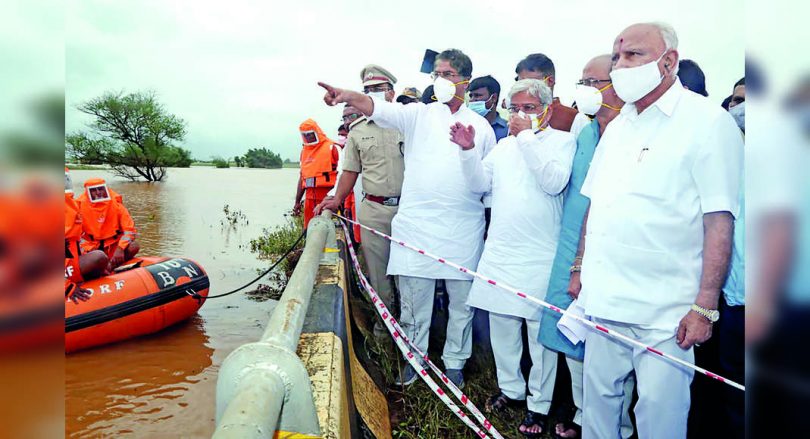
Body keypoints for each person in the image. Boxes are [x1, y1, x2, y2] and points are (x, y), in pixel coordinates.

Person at [576, 23, 743, 439]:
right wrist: (580, 267)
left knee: (660, 421)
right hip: (604, 300)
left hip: (667, 313)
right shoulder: (617, 127)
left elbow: (719, 220)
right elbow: (596, 205)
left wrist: (705, 305)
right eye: (616, 57)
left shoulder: (709, 122)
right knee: (598, 410)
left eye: (632, 55)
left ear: (669, 62)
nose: (620, 65)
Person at [318, 49, 497, 387]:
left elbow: (483, 185)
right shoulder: (418, 115)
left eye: (447, 74)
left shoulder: (482, 128)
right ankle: (414, 359)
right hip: (417, 228)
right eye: (437, 75)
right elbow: (377, 107)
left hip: (462, 231)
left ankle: (455, 363)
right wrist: (347, 96)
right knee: (415, 302)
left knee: (461, 304)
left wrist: (468, 150)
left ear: (465, 81)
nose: (440, 81)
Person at [455, 78, 574, 437]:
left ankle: (539, 405)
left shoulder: (563, 142)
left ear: (547, 110)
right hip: (502, 251)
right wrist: (467, 151)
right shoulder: (504, 148)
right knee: (503, 328)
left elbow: (553, 182)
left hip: (540, 255)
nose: (519, 114)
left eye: (529, 108)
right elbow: (478, 185)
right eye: (514, 108)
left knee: (540, 337)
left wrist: (525, 138)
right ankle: (512, 390)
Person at [537, 55, 634, 439]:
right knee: (570, 329)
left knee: (613, 348)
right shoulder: (584, 131)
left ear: (618, 86)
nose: (586, 90)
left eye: (593, 82)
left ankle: (618, 426)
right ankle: (582, 414)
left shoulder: (633, 133)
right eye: (583, 81)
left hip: (613, 252)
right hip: (571, 247)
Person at [315, 65, 405, 334]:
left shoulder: (408, 122)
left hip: (410, 210)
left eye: (378, 89)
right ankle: (385, 327)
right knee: (378, 274)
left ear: (391, 93)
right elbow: (350, 171)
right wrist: (336, 199)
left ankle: (412, 331)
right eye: (368, 91)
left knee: (410, 277)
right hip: (374, 209)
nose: (372, 95)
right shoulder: (356, 130)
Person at [514, 53, 590, 138]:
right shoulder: (515, 115)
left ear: (550, 81)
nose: (523, 88)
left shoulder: (575, 119)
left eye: (530, 82)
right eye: (519, 83)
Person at [77, 178, 140, 272]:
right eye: (93, 190)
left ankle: (110, 267)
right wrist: (86, 251)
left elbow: (130, 230)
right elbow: (75, 237)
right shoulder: (78, 208)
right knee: (97, 257)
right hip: (90, 247)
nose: (98, 192)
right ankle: (103, 269)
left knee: (134, 246)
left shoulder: (117, 206)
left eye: (100, 189)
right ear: (87, 192)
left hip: (113, 247)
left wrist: (120, 248)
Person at [293, 118, 340, 228]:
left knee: (327, 231)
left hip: (329, 198)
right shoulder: (304, 152)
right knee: (309, 231)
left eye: (310, 134)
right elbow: (302, 178)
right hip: (309, 199)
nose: (308, 137)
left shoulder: (333, 148)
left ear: (317, 131)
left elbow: (344, 175)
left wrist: (339, 200)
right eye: (305, 135)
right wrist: (297, 202)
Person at [468, 75, 508, 142]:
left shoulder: (508, 129)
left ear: (493, 98)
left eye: (477, 95)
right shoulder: (465, 126)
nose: (472, 100)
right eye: (471, 96)